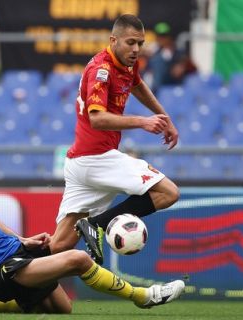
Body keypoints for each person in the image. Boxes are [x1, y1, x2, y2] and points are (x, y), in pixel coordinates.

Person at [0, 129, 185, 314]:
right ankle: (143, 296)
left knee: (62, 309)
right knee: (78, 260)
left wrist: (22, 239)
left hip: (14, 251)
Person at [49, 14, 181, 265]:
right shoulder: (101, 69)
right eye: (131, 42)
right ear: (113, 40)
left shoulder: (127, 63)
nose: (136, 49)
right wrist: (143, 121)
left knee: (59, 245)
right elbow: (97, 119)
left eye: (140, 43)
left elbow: (138, 84)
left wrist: (164, 117)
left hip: (80, 163)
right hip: (97, 158)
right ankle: (97, 226)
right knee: (169, 193)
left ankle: (8, 278)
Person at [143, 22, 197, 93]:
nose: (161, 39)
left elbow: (193, 68)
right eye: (159, 36)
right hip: (157, 87)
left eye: (164, 36)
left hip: (174, 86)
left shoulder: (179, 53)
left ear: (169, 37)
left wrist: (183, 65)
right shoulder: (153, 52)